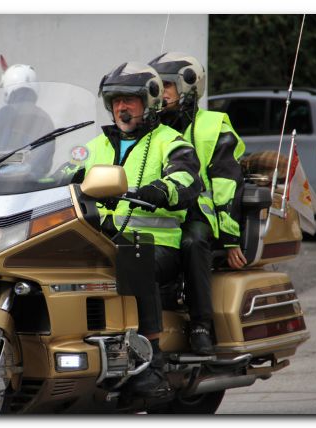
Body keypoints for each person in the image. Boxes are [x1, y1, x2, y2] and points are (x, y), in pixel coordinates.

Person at [84, 62, 201, 396]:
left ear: (148, 102)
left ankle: (153, 363)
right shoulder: (97, 146)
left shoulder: (170, 141)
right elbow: (64, 172)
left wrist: (160, 190)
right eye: (116, 100)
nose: (122, 107)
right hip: (105, 237)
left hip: (159, 246)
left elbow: (187, 178)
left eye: (130, 100)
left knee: (135, 258)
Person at [148, 52, 247, 354]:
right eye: (155, 86)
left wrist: (231, 240)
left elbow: (227, 184)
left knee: (193, 241)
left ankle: (202, 324)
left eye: (166, 85)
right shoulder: (148, 126)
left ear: (189, 86)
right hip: (157, 214)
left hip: (196, 214)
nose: (160, 93)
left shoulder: (213, 125)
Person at [0, 64, 55, 177]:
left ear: (7, 88)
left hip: (3, 183)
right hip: (37, 185)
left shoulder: (4, 113)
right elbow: (45, 163)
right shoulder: (45, 117)